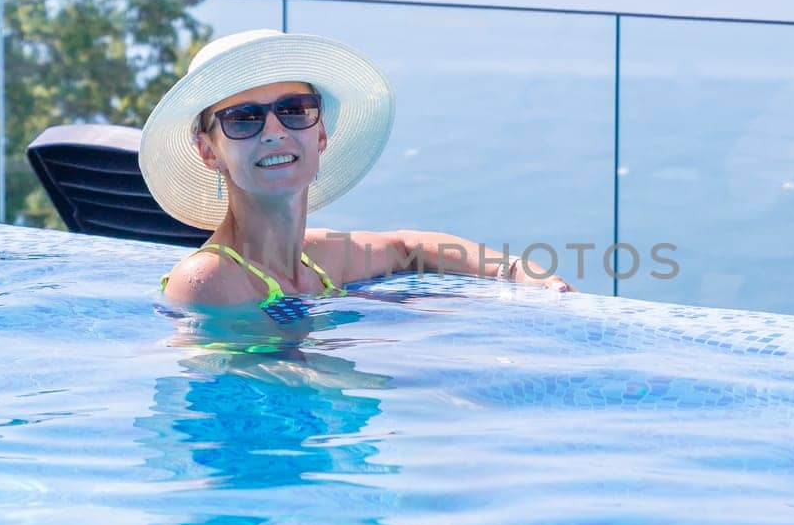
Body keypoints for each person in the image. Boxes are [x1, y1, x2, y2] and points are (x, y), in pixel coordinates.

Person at [139, 29, 570, 324]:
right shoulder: (208, 281)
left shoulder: (318, 258)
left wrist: (515, 272)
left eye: (294, 110)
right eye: (243, 119)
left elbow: (407, 248)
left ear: (320, 132)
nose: (274, 132)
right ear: (208, 150)